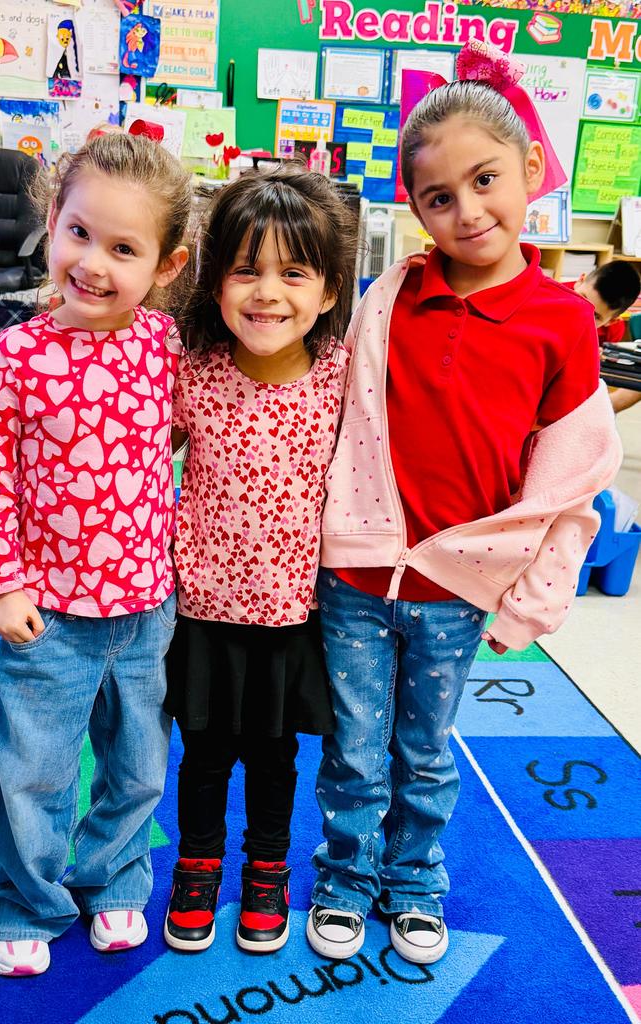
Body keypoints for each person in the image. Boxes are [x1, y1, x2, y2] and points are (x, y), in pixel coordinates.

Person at [306, 42, 622, 967]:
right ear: (414, 209)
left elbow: (572, 477)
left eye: (483, 179)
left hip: (456, 585)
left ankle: (413, 883)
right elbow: (337, 419)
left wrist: (534, 595)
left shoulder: (562, 320)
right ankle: (343, 877)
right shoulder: (393, 294)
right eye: (436, 198)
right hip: (357, 573)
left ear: (528, 167)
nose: (464, 211)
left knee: (425, 751)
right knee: (354, 749)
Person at [0, 132, 191, 977]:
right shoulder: (19, 353)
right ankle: (26, 901)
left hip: (144, 608)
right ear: (51, 223)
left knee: (137, 769)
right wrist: (5, 583)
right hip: (48, 615)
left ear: (165, 265)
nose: (93, 263)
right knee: (32, 772)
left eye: (124, 249)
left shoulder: (163, 347)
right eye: (79, 234)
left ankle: (116, 881)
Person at [162, 165, 358, 954]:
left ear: (329, 292)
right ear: (213, 286)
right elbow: (136, 462)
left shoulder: (341, 377)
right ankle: (197, 867)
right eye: (245, 269)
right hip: (201, 609)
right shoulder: (193, 376)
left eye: (293, 272)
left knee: (276, 759)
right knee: (205, 754)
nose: (267, 292)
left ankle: (268, 871)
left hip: (292, 613)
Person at [566, 261, 641, 415]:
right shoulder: (548, 294)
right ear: (580, 280)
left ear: (611, 321)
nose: (582, 314)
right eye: (582, 299)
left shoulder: (613, 330)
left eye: (596, 316)